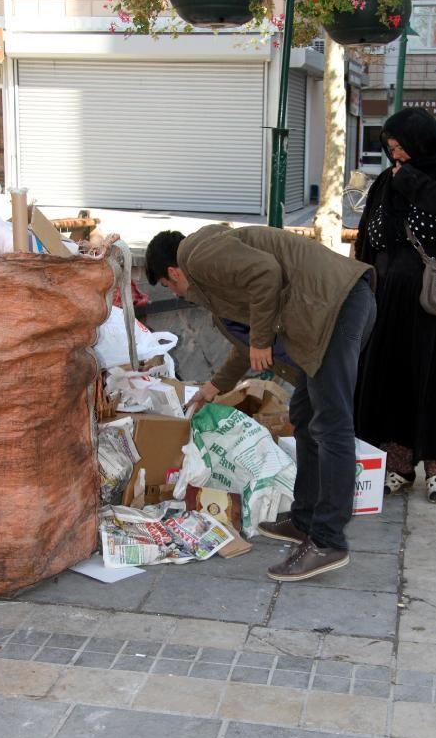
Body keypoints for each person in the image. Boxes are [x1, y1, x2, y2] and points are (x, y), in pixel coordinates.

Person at [145, 224, 376, 582]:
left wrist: (262, 340)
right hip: (326, 315)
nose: (176, 293)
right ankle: (304, 520)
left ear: (173, 272)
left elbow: (266, 276)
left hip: (334, 307)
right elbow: (246, 342)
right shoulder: (212, 281)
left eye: (167, 286)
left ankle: (328, 541)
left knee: (332, 426)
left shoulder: (198, 254)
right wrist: (213, 387)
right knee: (304, 414)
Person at [355, 107, 436, 503]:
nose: (396, 156)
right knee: (396, 383)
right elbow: (369, 238)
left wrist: (413, 183)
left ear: (420, 140)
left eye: (401, 147)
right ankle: (399, 466)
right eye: (391, 148)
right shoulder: (387, 179)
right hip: (391, 303)